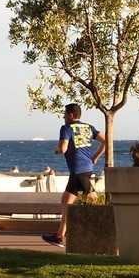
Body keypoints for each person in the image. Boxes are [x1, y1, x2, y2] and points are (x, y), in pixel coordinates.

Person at [43, 102, 103, 246]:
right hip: (85, 169)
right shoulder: (88, 127)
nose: (63, 117)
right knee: (66, 201)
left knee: (94, 201)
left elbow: (63, 148)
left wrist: (57, 150)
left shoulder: (66, 128)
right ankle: (59, 235)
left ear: (70, 115)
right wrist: (95, 157)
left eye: (64, 114)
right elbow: (106, 140)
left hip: (78, 171)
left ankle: (105, 230)